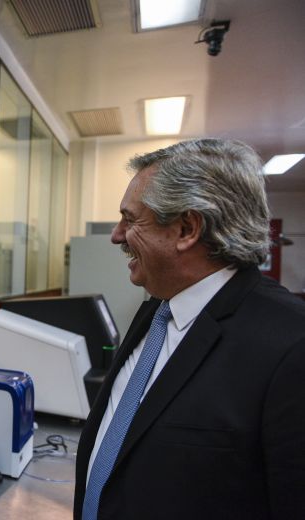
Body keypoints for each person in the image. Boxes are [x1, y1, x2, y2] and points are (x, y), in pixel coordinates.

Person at [74, 139, 305, 520]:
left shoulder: (290, 345)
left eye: (131, 219)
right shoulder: (156, 309)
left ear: (186, 228)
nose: (116, 235)